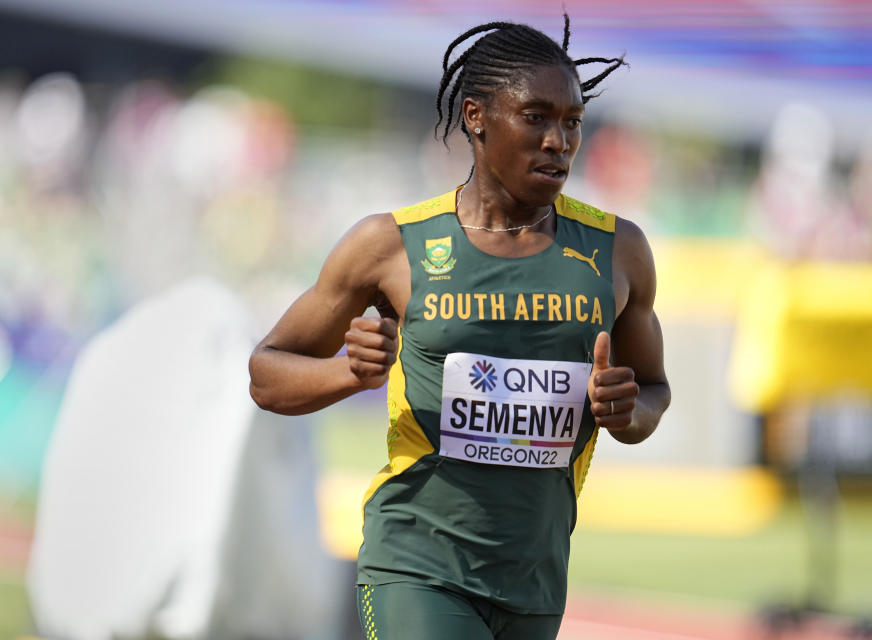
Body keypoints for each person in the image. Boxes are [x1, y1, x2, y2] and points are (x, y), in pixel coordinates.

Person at [249, 14, 670, 640]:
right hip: (416, 564)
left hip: (535, 577)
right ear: (475, 116)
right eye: (536, 118)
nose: (558, 141)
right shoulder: (388, 246)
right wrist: (348, 372)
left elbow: (653, 392)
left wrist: (624, 412)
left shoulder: (619, 251)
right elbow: (266, 373)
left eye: (572, 123)